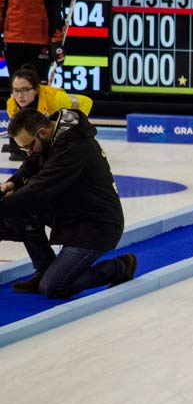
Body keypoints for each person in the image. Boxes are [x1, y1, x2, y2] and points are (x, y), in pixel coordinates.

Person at [0, 108, 136, 298]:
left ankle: (119, 267)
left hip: (95, 226)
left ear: (42, 133)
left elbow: (38, 189)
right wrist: (12, 183)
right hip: (71, 214)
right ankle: (44, 268)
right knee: (18, 210)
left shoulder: (74, 147)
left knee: (54, 287)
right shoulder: (53, 136)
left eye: (29, 146)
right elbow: (31, 163)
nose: (28, 152)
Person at [5, 63, 93, 160]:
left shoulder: (56, 99)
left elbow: (86, 102)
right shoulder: (11, 106)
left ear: (36, 89)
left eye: (25, 90)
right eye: (16, 90)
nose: (20, 95)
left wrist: (68, 128)